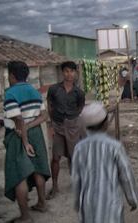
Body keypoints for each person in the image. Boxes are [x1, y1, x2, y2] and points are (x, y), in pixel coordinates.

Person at [71, 102, 138, 223]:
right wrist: (132, 199)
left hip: (88, 205)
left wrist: (77, 203)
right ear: (105, 124)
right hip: (111, 205)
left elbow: (76, 179)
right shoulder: (115, 146)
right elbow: (126, 175)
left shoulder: (79, 148)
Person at [3, 61, 51, 222]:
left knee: (19, 175)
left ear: (12, 75)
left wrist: (25, 142)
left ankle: (25, 216)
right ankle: (42, 203)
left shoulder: (10, 93)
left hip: (18, 137)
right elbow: (44, 116)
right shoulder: (34, 91)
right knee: (38, 168)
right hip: (36, 133)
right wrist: (30, 128)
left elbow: (19, 121)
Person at [46, 61, 86, 199]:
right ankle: (55, 186)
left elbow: (81, 107)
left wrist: (72, 117)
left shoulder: (79, 92)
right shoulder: (54, 89)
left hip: (73, 127)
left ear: (75, 73)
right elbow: (50, 106)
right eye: (66, 71)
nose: (69, 74)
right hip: (57, 126)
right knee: (55, 157)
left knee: (73, 157)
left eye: (72, 71)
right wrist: (51, 125)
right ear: (62, 73)